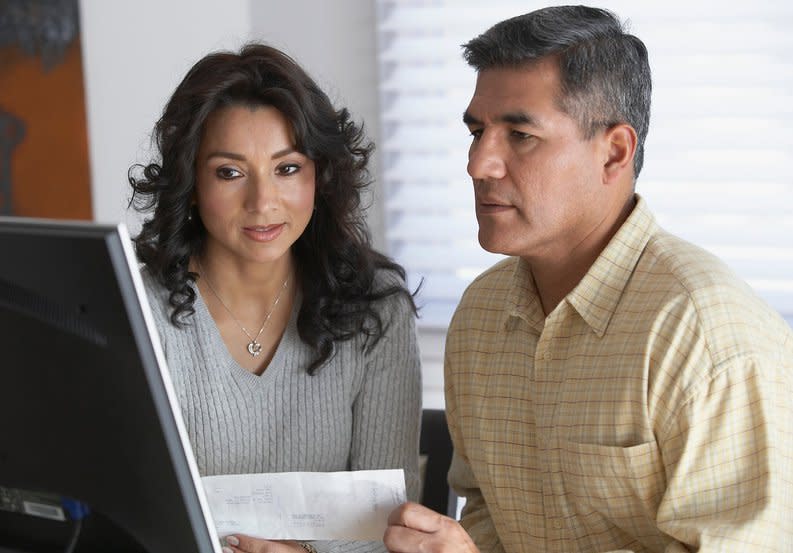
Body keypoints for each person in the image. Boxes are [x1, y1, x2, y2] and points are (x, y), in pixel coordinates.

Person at [384, 5, 793, 553]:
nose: (478, 163)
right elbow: (484, 512)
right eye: (477, 130)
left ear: (614, 152)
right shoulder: (481, 314)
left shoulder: (705, 334)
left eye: (520, 134)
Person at [129, 43, 422, 553]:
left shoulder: (377, 310)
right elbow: (122, 505)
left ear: (320, 175)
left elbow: (391, 527)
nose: (263, 203)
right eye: (230, 172)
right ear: (192, 182)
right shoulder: (140, 307)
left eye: (287, 169)